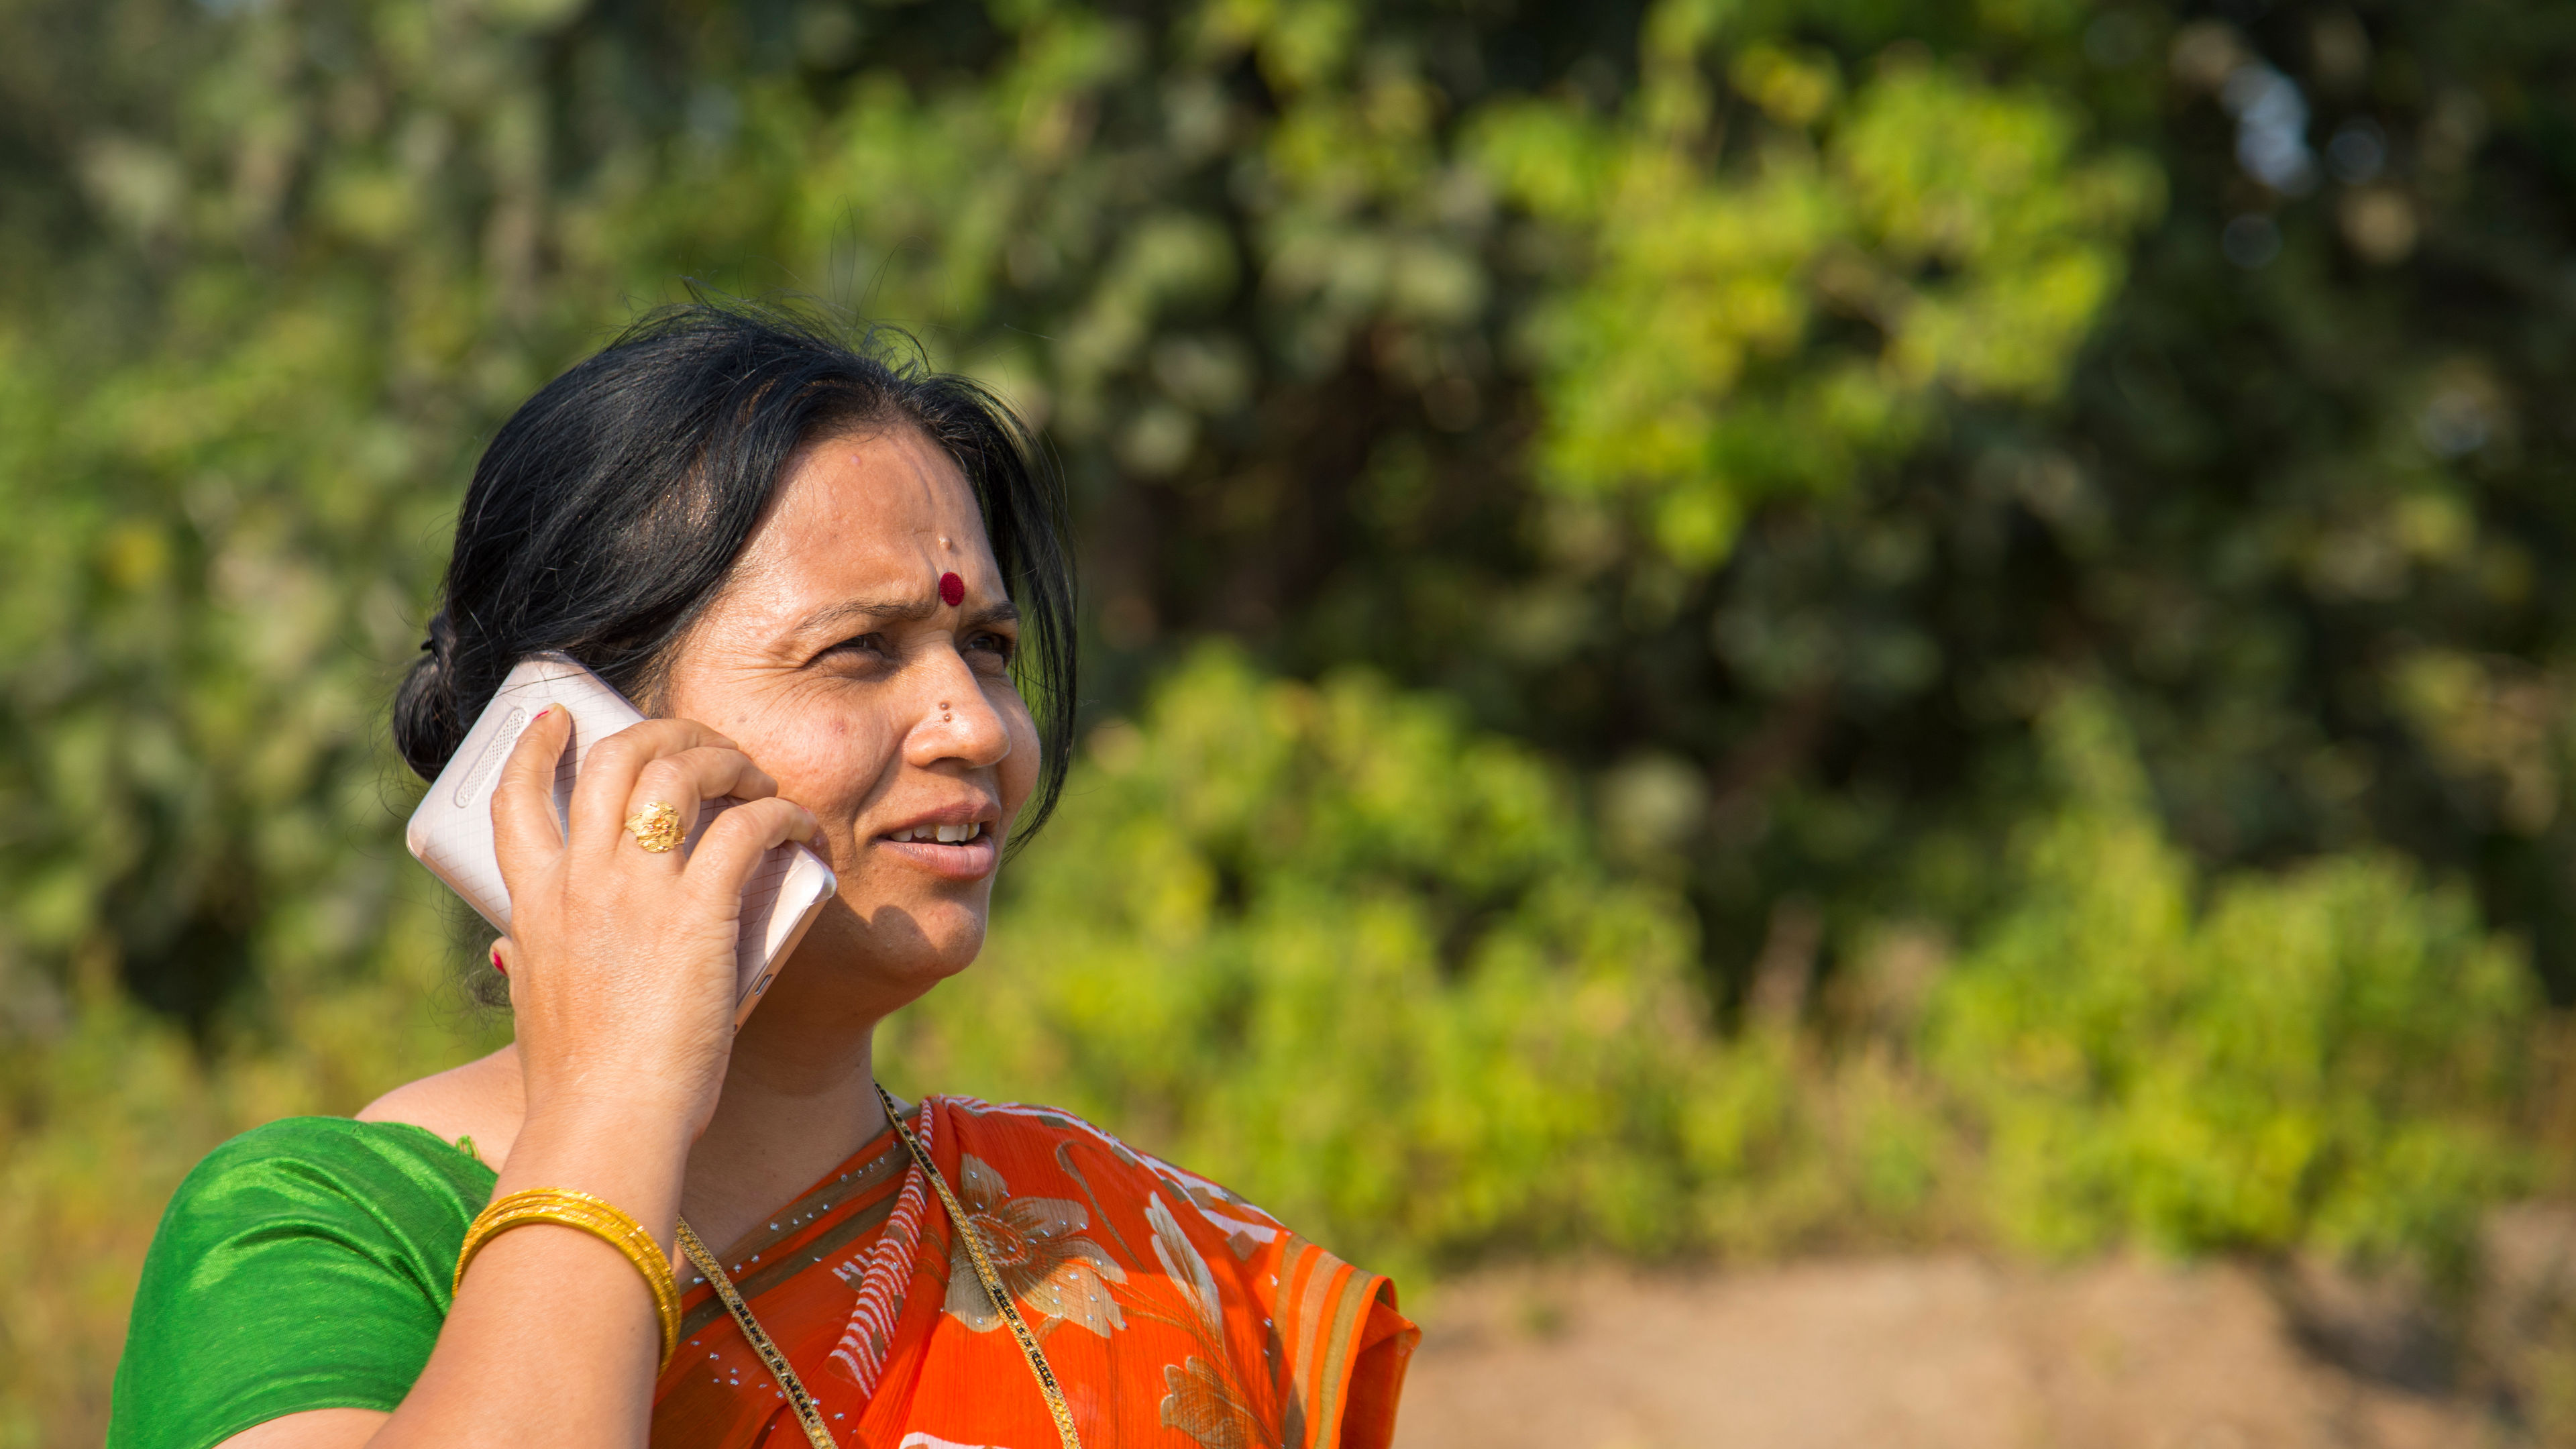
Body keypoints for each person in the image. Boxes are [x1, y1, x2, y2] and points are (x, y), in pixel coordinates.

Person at [108, 303, 1416, 1449]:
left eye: (989, 646)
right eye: (860, 651)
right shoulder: (324, 1232)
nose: (973, 724)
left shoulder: (1110, 1247)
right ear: (570, 742)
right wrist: (618, 1092)